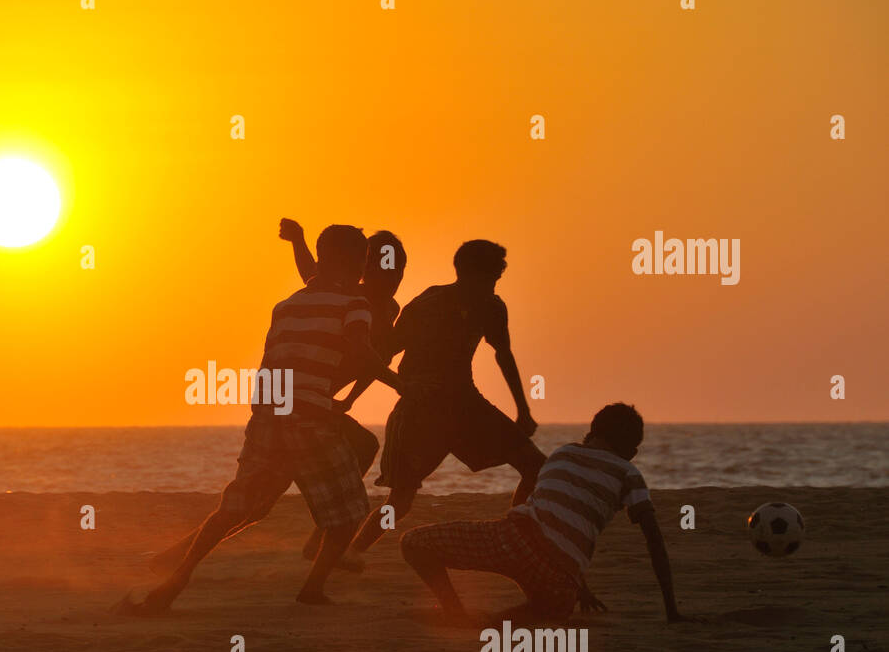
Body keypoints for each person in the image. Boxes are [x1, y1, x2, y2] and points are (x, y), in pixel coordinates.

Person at [117, 225, 405, 615]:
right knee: (349, 513)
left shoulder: (289, 303)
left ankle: (175, 577)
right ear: (364, 266)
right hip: (309, 414)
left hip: (269, 411)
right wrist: (403, 386)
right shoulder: (358, 303)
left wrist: (300, 241)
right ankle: (313, 587)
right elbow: (363, 351)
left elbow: (313, 275)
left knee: (241, 503)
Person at [399, 402, 696, 625]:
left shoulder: (562, 454)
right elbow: (653, 540)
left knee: (414, 543)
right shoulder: (628, 473)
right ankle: (490, 623)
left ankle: (454, 612)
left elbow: (552, 511)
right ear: (631, 449)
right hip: (560, 579)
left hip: (513, 538)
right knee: (549, 609)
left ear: (591, 433)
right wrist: (672, 610)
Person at [344, 239, 544, 563]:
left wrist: (523, 409)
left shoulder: (492, 307)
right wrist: (354, 396)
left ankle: (514, 531)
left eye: (496, 281)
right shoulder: (428, 304)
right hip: (420, 409)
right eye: (488, 280)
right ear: (464, 274)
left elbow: (503, 354)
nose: (492, 288)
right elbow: (384, 353)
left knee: (536, 466)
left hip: (467, 404)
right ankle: (353, 551)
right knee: (400, 502)